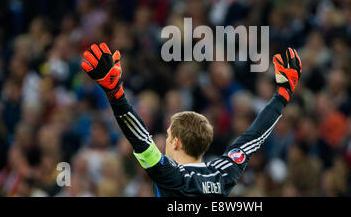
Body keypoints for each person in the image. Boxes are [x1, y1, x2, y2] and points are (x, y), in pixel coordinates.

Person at [80, 43, 301, 196]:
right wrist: (283, 94)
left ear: (176, 142)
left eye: (167, 135)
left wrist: (115, 93)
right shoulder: (222, 173)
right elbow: (253, 138)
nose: (164, 141)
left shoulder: (171, 175)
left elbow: (139, 137)